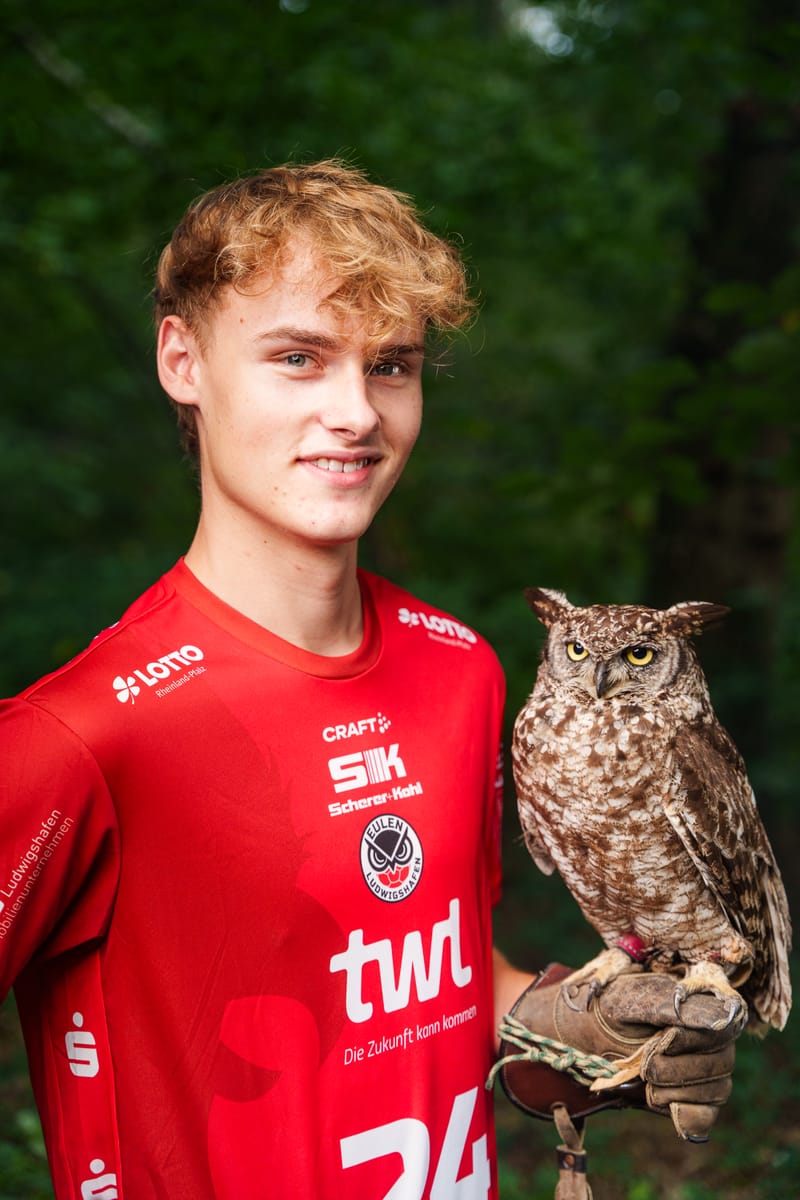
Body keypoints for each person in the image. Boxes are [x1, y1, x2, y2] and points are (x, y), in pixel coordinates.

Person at [0, 161, 739, 1199]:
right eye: (299, 359)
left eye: (391, 366)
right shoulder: (77, 734)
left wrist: (577, 1036)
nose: (355, 411)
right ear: (182, 360)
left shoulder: (461, 668)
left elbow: (436, 991)